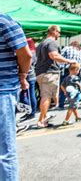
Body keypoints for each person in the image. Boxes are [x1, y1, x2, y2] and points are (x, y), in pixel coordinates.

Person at [0, 12, 32, 180]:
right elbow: (25, 54)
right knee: (5, 150)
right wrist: (23, 75)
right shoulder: (4, 20)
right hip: (3, 89)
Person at [36, 25, 75, 128]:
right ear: (53, 31)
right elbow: (54, 56)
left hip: (40, 73)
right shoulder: (51, 42)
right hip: (49, 73)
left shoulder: (41, 44)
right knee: (46, 96)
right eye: (58, 32)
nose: (59, 34)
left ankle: (43, 119)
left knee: (45, 96)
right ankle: (41, 121)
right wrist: (69, 61)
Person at [59, 40, 81, 109]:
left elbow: (60, 57)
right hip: (77, 71)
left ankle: (61, 104)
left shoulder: (67, 48)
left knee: (64, 86)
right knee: (75, 87)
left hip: (68, 70)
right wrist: (78, 68)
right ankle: (75, 102)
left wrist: (61, 68)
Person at [19, 38, 37, 121]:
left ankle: (32, 113)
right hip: (31, 75)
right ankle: (30, 112)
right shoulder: (34, 52)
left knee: (30, 95)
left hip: (28, 75)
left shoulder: (29, 53)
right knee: (30, 94)